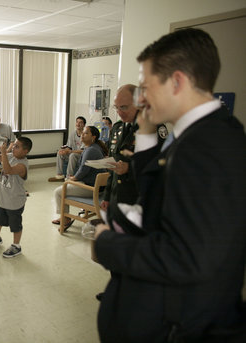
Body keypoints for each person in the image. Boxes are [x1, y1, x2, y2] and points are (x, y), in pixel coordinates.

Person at [94, 28, 246, 342]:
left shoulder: (208, 147)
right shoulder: (201, 134)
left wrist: (107, 242)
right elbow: (160, 194)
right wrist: (146, 131)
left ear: (176, 82)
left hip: (182, 324)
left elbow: (188, 258)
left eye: (146, 87)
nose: (141, 98)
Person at [101, 84, 167, 214]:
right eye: (117, 107)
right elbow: (113, 169)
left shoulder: (153, 128)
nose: (119, 112)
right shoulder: (117, 128)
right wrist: (107, 196)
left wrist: (129, 169)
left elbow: (161, 166)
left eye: (124, 107)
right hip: (118, 197)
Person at [0, 137, 32, 258]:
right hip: (3, 199)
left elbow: (8, 170)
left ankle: (16, 246)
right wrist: (0, 146)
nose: (13, 148)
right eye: (14, 145)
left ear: (25, 151)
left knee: (15, 225)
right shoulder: (10, 156)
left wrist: (4, 152)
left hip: (15, 201)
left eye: (17, 146)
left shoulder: (22, 165)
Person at [51, 126, 108, 230]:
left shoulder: (91, 150)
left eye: (86, 133)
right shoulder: (93, 148)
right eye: (83, 133)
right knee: (67, 183)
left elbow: (83, 169)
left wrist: (74, 178)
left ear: (93, 137)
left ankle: (66, 219)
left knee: (58, 192)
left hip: (92, 188)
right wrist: (75, 178)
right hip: (95, 185)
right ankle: (65, 216)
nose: (82, 135)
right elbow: (84, 169)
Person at [48, 116, 86, 182]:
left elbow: (82, 150)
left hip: (81, 155)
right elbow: (69, 146)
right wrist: (65, 150)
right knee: (60, 153)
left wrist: (70, 151)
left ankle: (69, 177)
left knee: (72, 155)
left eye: (80, 122)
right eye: (77, 122)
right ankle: (59, 175)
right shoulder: (73, 133)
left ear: (84, 125)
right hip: (72, 152)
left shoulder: (85, 135)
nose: (78, 124)